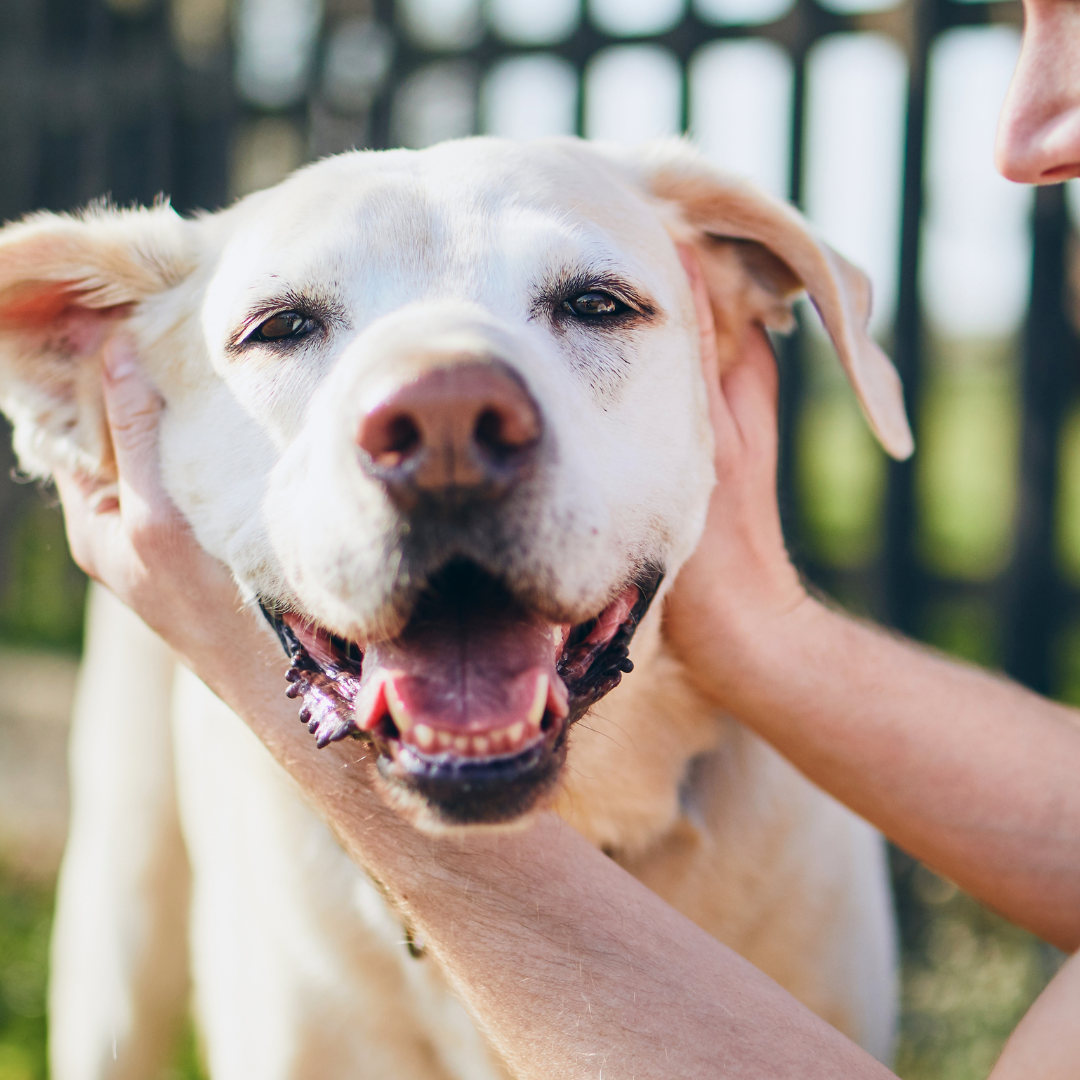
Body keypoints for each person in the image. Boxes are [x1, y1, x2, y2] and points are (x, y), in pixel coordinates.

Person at [50, 4, 1080, 1075]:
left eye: (592, 305)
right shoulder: (183, 577)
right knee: (113, 1004)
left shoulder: (804, 861)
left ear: (729, 322)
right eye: (287, 328)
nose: (449, 411)